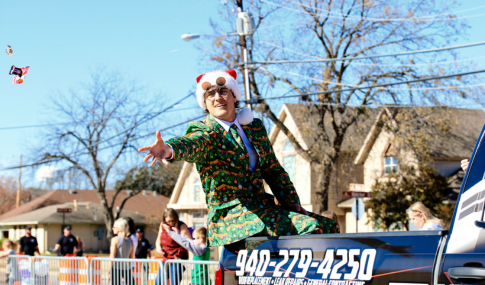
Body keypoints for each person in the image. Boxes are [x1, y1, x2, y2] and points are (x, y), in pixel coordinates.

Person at [139, 69, 339, 251]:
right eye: (210, 94)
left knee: (329, 226)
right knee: (310, 228)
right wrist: (168, 149)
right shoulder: (206, 132)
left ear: (234, 96)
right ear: (205, 103)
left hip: (263, 210)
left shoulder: (254, 128)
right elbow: (191, 144)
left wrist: (291, 203)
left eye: (223, 91)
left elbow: (273, 170)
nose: (217, 97)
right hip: (231, 220)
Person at [155, 208, 191, 285]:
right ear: (164, 220)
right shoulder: (162, 225)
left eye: (173, 220)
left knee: (173, 282)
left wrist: (190, 261)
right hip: (166, 259)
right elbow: (158, 240)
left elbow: (189, 244)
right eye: (168, 221)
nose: (171, 223)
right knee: (158, 282)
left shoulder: (182, 226)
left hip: (177, 260)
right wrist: (158, 247)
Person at [110, 218, 135, 285]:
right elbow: (131, 257)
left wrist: (109, 269)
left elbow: (112, 256)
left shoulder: (115, 240)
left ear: (119, 229)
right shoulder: (131, 241)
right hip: (126, 267)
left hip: (116, 268)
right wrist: (129, 268)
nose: (113, 228)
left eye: (114, 227)